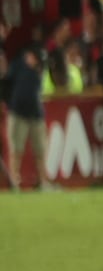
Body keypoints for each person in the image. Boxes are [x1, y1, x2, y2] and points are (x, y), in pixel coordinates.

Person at [4, 43, 41, 190]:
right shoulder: (16, 67)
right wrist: (8, 103)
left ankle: (42, 181)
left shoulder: (37, 69)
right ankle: (14, 181)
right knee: (16, 150)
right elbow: (6, 85)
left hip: (35, 114)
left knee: (40, 149)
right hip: (17, 113)